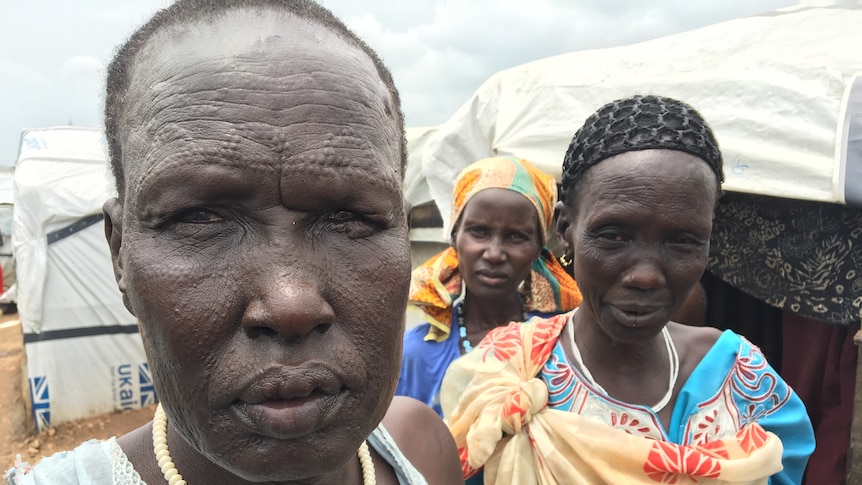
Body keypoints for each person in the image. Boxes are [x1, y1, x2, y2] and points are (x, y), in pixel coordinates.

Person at [4, 1, 464, 484]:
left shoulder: (423, 447)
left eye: (348, 218)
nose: (291, 304)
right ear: (120, 252)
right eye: (201, 219)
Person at [441, 95, 815, 484]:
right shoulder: (503, 377)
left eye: (683, 240)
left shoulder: (744, 384)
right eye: (614, 235)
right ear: (566, 230)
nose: (646, 276)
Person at [397, 157, 581, 416]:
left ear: (539, 246)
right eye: (479, 231)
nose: (494, 254)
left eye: (516, 236)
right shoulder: (416, 356)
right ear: (454, 235)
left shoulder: (564, 342)